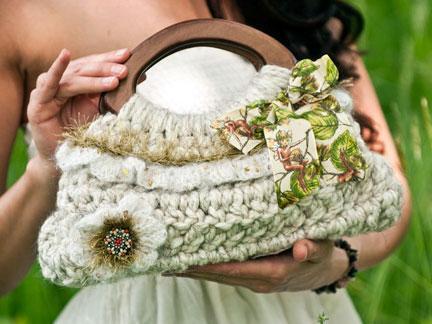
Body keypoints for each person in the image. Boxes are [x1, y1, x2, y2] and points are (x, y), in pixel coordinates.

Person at [0, 0, 411, 322]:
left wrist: (330, 263)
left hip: (301, 310)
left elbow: (386, 192)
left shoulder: (290, 7)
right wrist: (48, 168)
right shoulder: (22, 15)